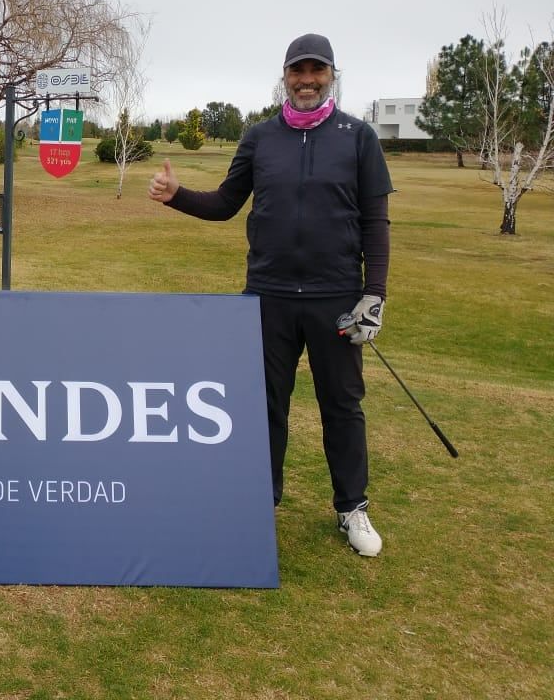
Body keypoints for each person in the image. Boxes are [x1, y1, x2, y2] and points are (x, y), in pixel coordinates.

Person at [148, 34, 392, 557]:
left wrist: (374, 294)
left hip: (336, 300)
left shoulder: (358, 137)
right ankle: (261, 499)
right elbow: (225, 204)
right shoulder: (261, 137)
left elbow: (375, 221)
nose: (307, 80)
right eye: (297, 72)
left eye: (316, 71)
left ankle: (352, 507)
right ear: (284, 76)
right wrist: (177, 197)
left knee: (343, 407)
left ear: (332, 75)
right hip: (267, 296)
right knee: (263, 405)